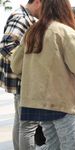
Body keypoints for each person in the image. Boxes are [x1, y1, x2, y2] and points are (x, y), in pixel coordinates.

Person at [10, 0, 75, 149]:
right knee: (69, 145)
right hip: (63, 103)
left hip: (39, 103)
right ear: (65, 9)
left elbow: (15, 65)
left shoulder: (32, 32)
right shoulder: (65, 32)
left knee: (52, 144)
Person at [0, 0, 45, 149]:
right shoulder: (22, 17)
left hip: (19, 81)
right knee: (28, 125)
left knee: (21, 123)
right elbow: (6, 45)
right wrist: (28, 67)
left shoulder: (22, 16)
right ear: (38, 2)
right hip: (24, 81)